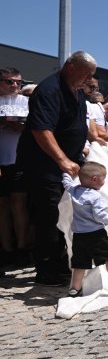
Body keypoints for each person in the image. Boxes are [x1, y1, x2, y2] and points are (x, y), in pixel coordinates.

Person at [16, 51, 94, 285]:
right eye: (85, 73)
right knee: (50, 215)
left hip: (69, 164)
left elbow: (77, 125)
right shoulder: (49, 90)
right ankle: (47, 269)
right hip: (45, 165)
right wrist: (62, 159)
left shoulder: (77, 91)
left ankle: (62, 261)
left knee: (66, 214)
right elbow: (41, 130)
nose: (89, 79)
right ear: (70, 67)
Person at [62, 162, 108, 297]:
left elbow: (67, 183)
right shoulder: (96, 197)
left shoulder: (75, 191)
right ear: (94, 179)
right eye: (103, 178)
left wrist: (66, 172)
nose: (104, 181)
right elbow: (99, 214)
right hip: (96, 234)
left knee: (80, 262)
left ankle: (75, 289)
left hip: (79, 235)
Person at [0, 68, 31, 267]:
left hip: (19, 160)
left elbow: (36, 126)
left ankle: (22, 248)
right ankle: (5, 250)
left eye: (18, 82)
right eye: (10, 82)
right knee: (1, 206)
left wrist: (20, 126)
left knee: (19, 204)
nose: (15, 86)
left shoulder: (26, 102)